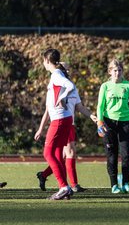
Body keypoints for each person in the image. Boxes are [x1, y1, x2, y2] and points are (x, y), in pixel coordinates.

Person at [34, 62, 97, 192]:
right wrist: (41, 128)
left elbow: (79, 107)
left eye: (68, 69)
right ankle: (72, 185)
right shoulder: (56, 86)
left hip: (69, 124)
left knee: (62, 155)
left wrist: (91, 116)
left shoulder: (72, 90)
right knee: (69, 153)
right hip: (61, 123)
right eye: (64, 68)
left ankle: (47, 176)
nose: (67, 71)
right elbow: (48, 110)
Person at [96, 59, 129, 194]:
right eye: (115, 70)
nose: (117, 73)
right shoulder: (105, 86)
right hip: (109, 123)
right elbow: (100, 106)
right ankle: (114, 185)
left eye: (120, 70)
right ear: (110, 72)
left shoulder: (128, 86)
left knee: (126, 155)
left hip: (125, 123)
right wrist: (100, 122)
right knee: (112, 155)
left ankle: (126, 183)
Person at [39, 48, 75, 200]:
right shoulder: (57, 74)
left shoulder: (56, 75)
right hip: (64, 118)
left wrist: (62, 97)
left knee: (47, 153)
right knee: (57, 154)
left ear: (47, 61)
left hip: (60, 119)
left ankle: (63, 187)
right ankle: (66, 189)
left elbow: (71, 86)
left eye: (43, 61)